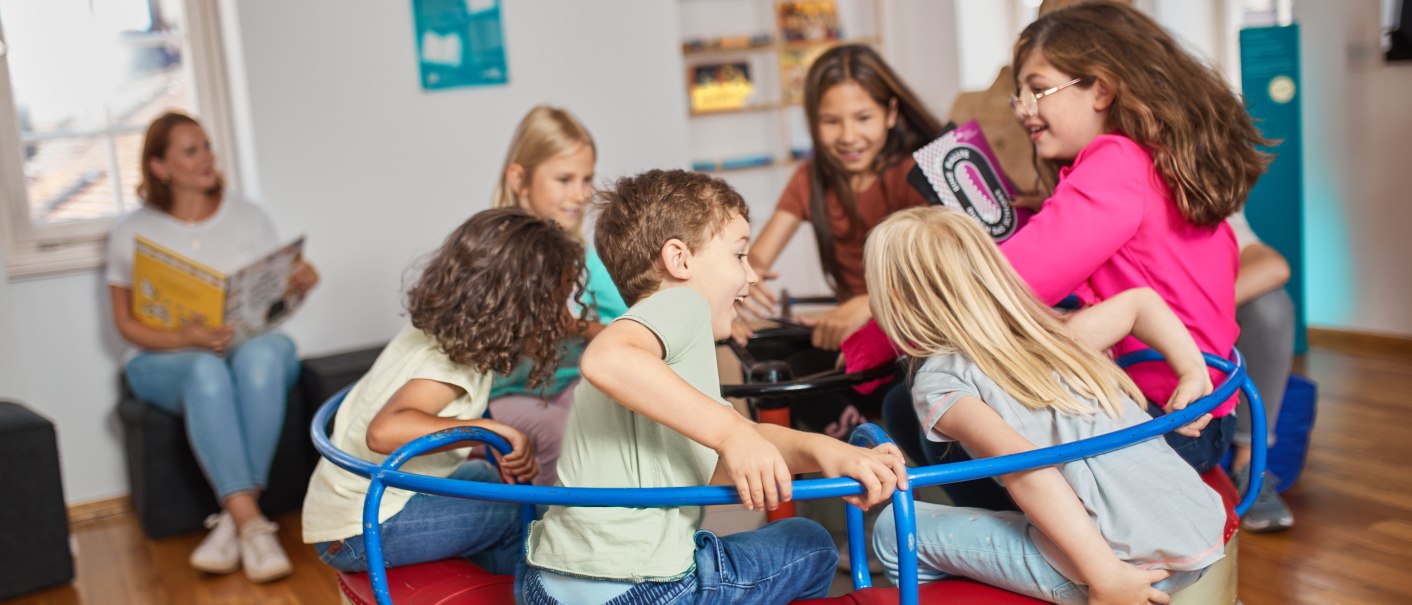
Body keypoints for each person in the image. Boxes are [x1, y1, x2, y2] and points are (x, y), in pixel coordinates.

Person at [882, 3, 1270, 492]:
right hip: (1206, 414)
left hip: (1165, 427)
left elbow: (1009, 286)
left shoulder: (1114, 162)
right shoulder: (1161, 159)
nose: (1024, 107)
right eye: (1019, 94)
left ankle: (1045, 549)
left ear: (1101, 90)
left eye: (1040, 89)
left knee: (911, 404)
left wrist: (890, 306)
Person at [518, 169, 909, 604]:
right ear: (679, 260)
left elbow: (717, 458)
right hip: (640, 586)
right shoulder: (678, 304)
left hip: (546, 584)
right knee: (810, 542)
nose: (753, 276)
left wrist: (824, 450)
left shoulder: (662, 370)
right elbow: (606, 360)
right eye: (739, 255)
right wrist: (733, 433)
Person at [867, 207, 1227, 604]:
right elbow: (1141, 303)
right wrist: (1194, 372)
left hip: (1125, 566)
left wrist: (1106, 577)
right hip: (1198, 529)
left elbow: (1026, 465)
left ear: (895, 299)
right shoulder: (1052, 336)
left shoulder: (939, 382)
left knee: (893, 529)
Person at [303, 208, 585, 574]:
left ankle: (483, 575)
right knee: (523, 517)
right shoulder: (450, 365)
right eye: (557, 304)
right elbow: (384, 431)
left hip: (350, 502)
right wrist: (492, 430)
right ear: (518, 308)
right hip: (361, 527)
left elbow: (452, 407)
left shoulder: (445, 330)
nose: (564, 318)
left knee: (487, 477)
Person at [106, 111, 318, 583]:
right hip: (165, 358)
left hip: (247, 346)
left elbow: (271, 302)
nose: (206, 158)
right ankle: (252, 525)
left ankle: (233, 522)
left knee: (264, 358)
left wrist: (298, 286)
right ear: (159, 167)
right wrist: (185, 338)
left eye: (206, 146)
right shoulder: (130, 231)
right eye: (190, 150)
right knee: (206, 370)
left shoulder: (247, 214)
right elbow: (125, 324)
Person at [738, 44, 943, 435]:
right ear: (813, 123)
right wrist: (740, 281)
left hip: (908, 335)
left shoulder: (916, 172)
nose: (849, 136)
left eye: (863, 117)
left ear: (891, 113)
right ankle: (856, 433)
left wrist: (866, 304)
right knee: (763, 354)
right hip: (855, 333)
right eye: (831, 122)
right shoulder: (811, 177)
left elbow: (941, 275)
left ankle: (861, 446)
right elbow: (758, 257)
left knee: (793, 374)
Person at [487, 105, 627, 486]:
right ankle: (555, 536)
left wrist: (578, 326)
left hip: (574, 387)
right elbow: (511, 349)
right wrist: (574, 328)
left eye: (586, 179)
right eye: (564, 179)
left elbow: (626, 328)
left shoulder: (584, 253)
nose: (580, 195)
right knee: (560, 433)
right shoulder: (498, 253)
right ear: (519, 178)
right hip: (509, 397)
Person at [1227, 209, 1297, 532]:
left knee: (1272, 306)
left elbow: (1273, 265)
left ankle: (1249, 464)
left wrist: (1200, 311)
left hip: (1185, 315)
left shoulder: (1199, 178)